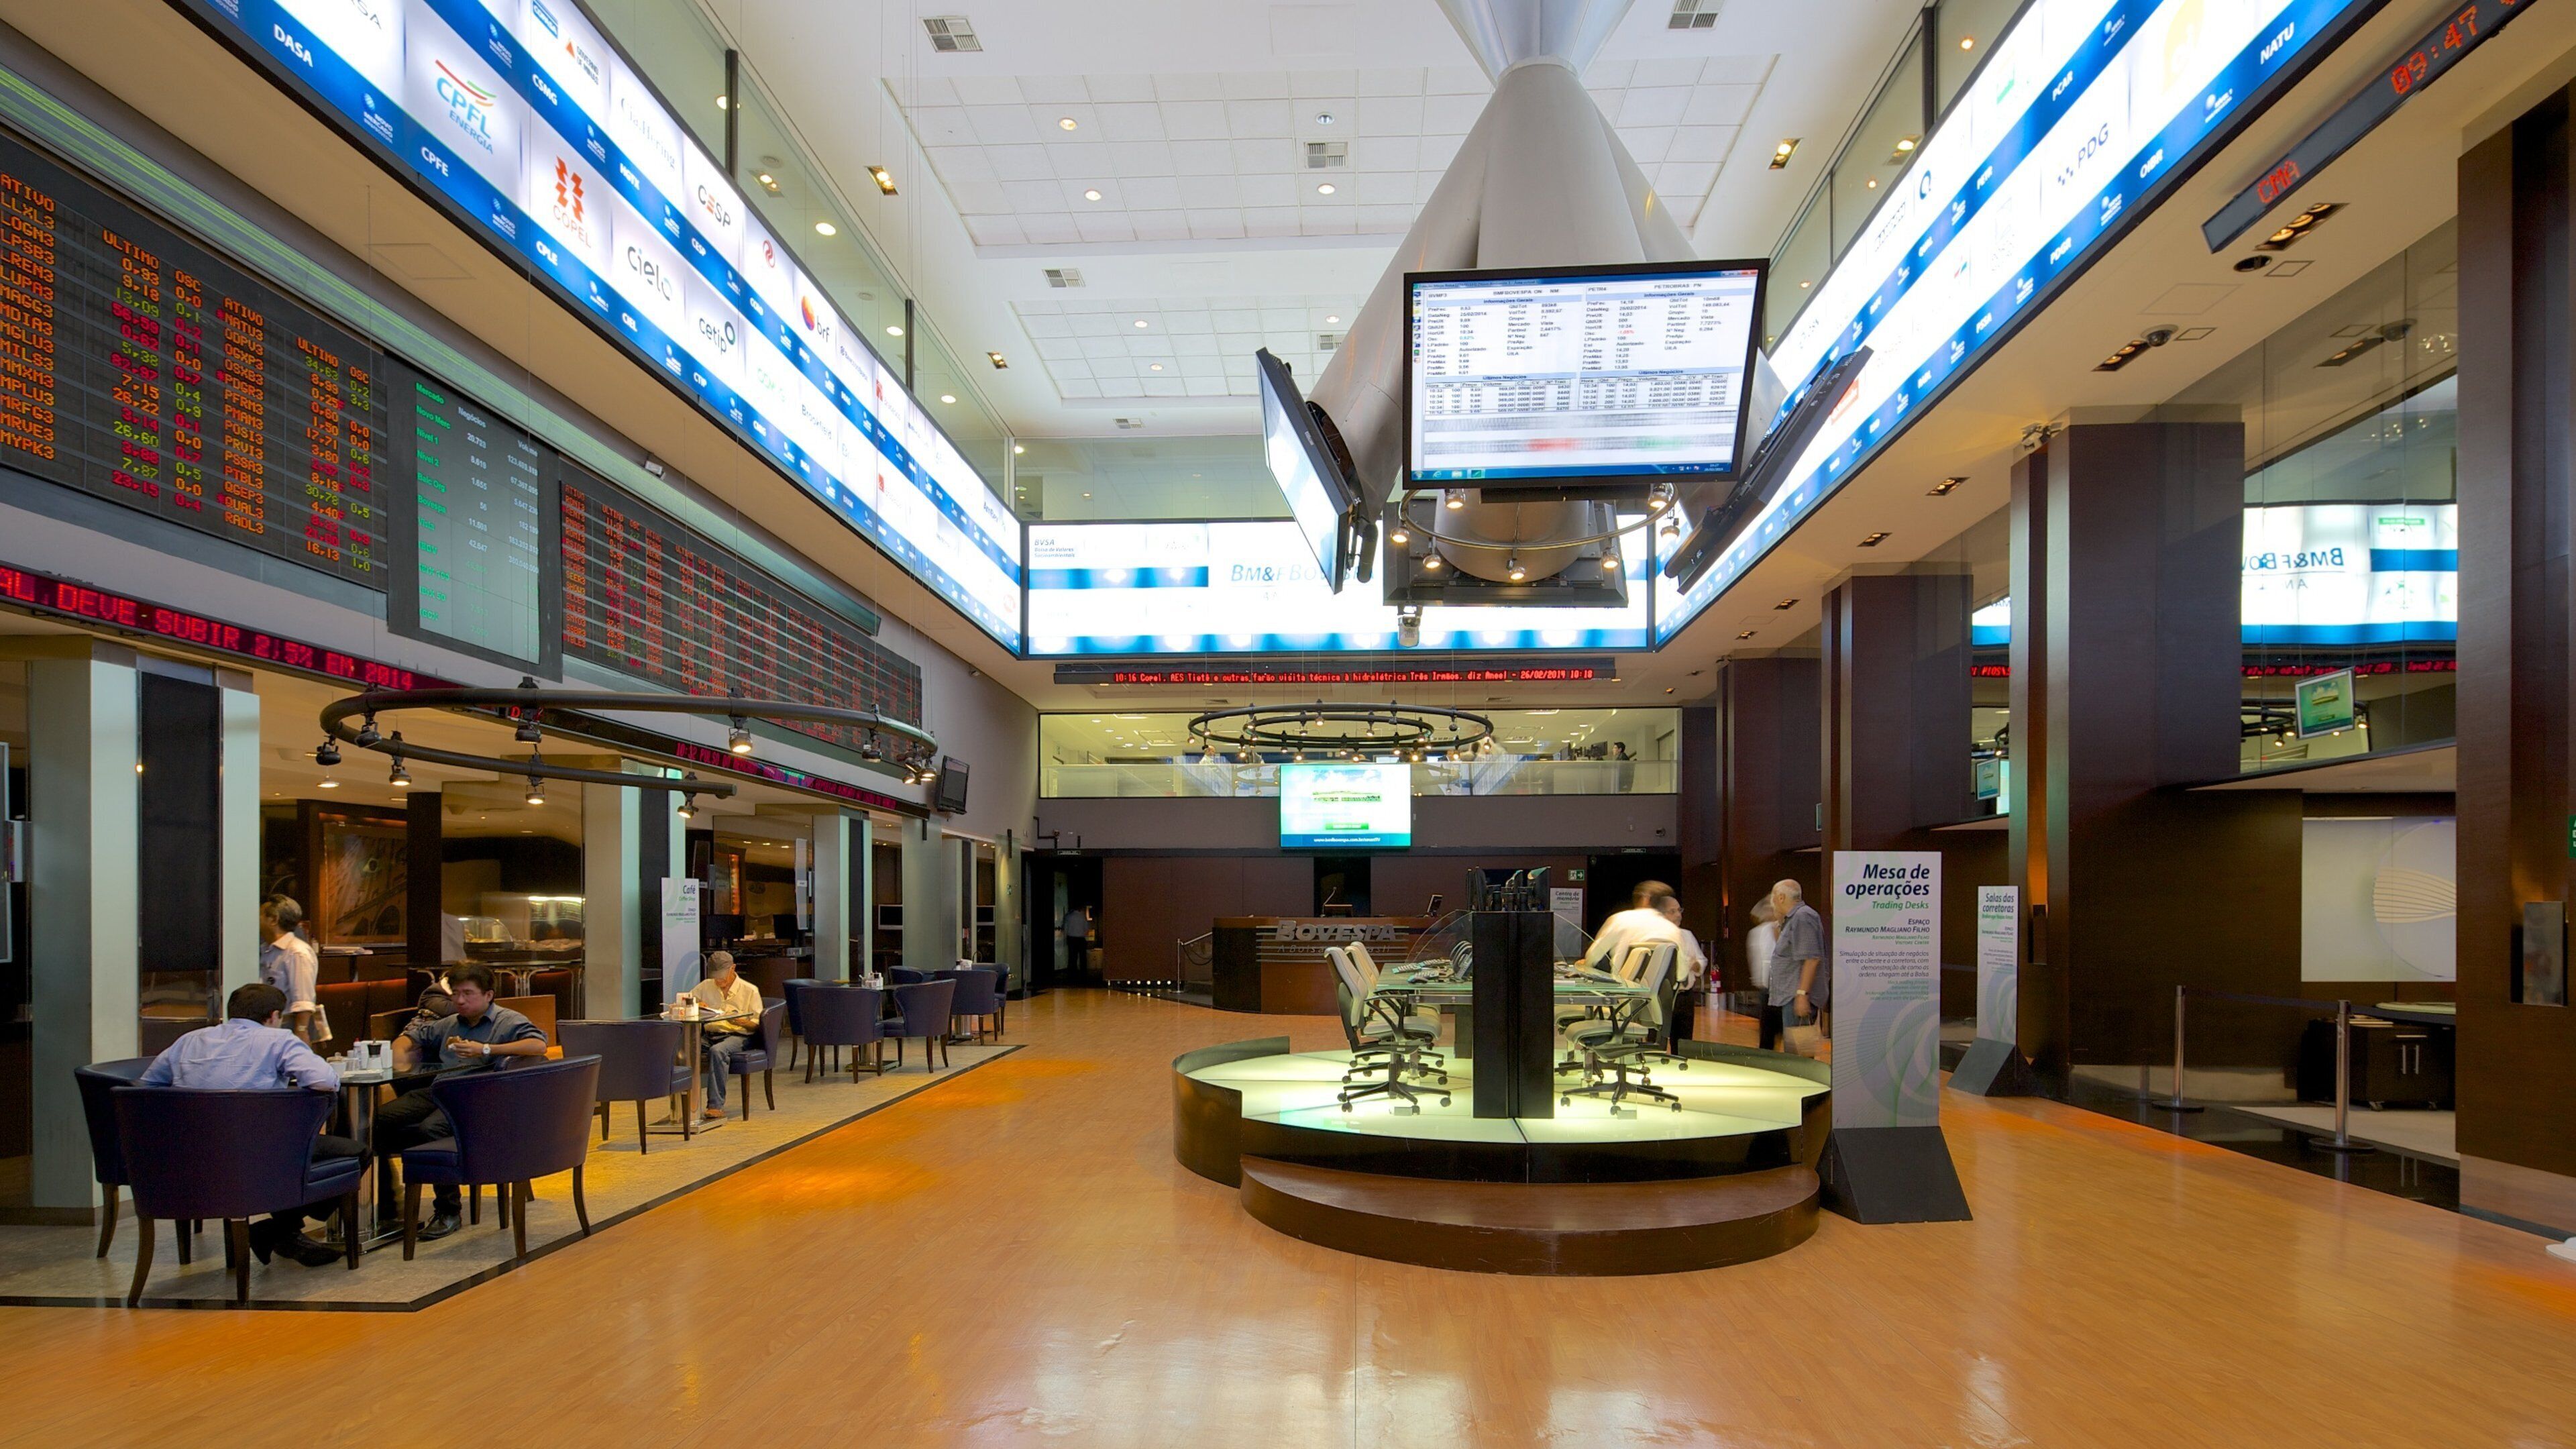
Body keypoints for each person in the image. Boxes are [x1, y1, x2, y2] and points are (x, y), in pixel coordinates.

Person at [140, 981, 355, 1267]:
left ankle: (285, 1234)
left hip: (191, 1156)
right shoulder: (278, 1040)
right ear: (274, 1016)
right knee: (356, 1153)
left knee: (292, 1152)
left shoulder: (189, 1040)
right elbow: (325, 1081)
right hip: (258, 1154)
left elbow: (147, 1086)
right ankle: (277, 1231)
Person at [378, 963, 548, 1240]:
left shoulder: (507, 1021)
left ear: (488, 995)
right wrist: (400, 1057)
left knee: (431, 1129)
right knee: (378, 1120)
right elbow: (409, 1037)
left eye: (468, 994)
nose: (460, 1000)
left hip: (476, 1096)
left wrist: (486, 1049)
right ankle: (386, 1207)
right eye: (456, 993)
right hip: (440, 1089)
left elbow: (537, 1045)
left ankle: (448, 1211)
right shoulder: (449, 1023)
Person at [690, 951, 765, 1118]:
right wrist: (697, 1005)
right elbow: (686, 1001)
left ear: (733, 969)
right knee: (685, 1047)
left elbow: (757, 1025)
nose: (719, 980)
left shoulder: (750, 990)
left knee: (718, 1051)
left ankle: (715, 1106)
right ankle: (684, 1105)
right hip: (710, 1034)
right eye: (715, 976)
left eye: (722, 976)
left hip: (739, 1036)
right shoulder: (706, 986)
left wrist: (743, 1023)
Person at [1767, 879, 1827, 1052]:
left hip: (1798, 996)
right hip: (1792, 996)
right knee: (1795, 1052)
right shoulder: (1793, 919)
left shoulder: (1803, 917)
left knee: (1799, 1054)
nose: (1771, 902)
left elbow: (1812, 958)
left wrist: (1802, 995)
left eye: (1773, 897)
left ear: (1781, 897)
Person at [260, 896, 327, 1050]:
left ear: (274, 919)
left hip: (289, 1028)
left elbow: (304, 998)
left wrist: (301, 1030)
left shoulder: (297, 952)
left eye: (260, 915)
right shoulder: (266, 950)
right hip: (269, 1028)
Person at [1580, 880, 1681, 974]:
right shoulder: (1673, 930)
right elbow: (1682, 974)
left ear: (1645, 899)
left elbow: (1594, 956)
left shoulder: (1620, 919)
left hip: (1623, 985)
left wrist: (1584, 967)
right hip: (1661, 988)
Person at [1656, 892, 1711, 1044]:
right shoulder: (1655, 937)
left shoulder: (1687, 935)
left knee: (1683, 1042)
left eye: (1680, 910)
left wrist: (1697, 965)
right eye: (1672, 911)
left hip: (1684, 996)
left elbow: (1701, 959)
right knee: (1657, 1040)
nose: (1678, 915)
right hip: (1662, 996)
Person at [1745, 898, 1782, 1049]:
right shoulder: (1757, 933)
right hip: (1766, 991)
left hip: (1784, 991)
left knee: (1788, 1034)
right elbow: (1756, 961)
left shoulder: (1786, 929)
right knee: (1767, 1037)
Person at [1061, 903, 1092, 981]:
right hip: (1081, 939)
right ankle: (1083, 973)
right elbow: (1087, 928)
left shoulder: (1068, 916)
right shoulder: (1083, 917)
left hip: (1072, 938)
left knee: (1072, 957)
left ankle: (1072, 973)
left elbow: (1065, 928)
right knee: (1083, 957)